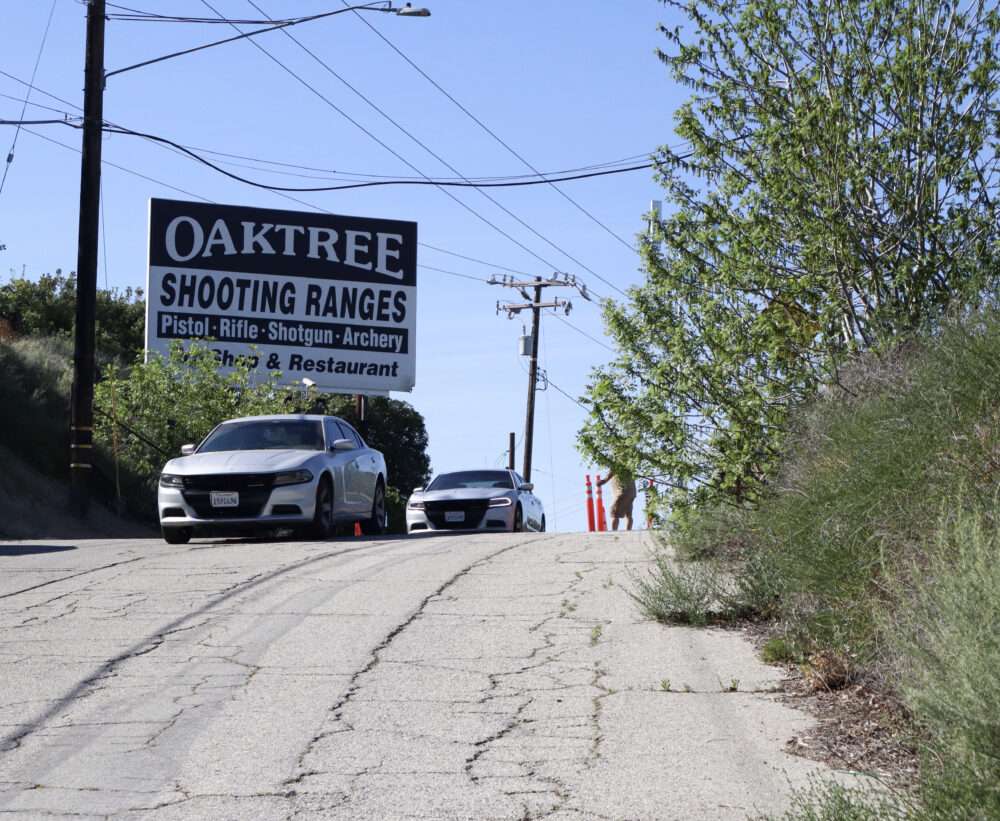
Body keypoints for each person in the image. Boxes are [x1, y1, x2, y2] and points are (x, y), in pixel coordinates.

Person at [597, 467, 636, 531]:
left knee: (615, 514)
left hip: (622, 493)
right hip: (632, 493)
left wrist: (600, 482)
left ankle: (614, 531)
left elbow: (607, 478)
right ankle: (629, 531)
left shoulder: (616, 465)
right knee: (629, 514)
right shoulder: (629, 465)